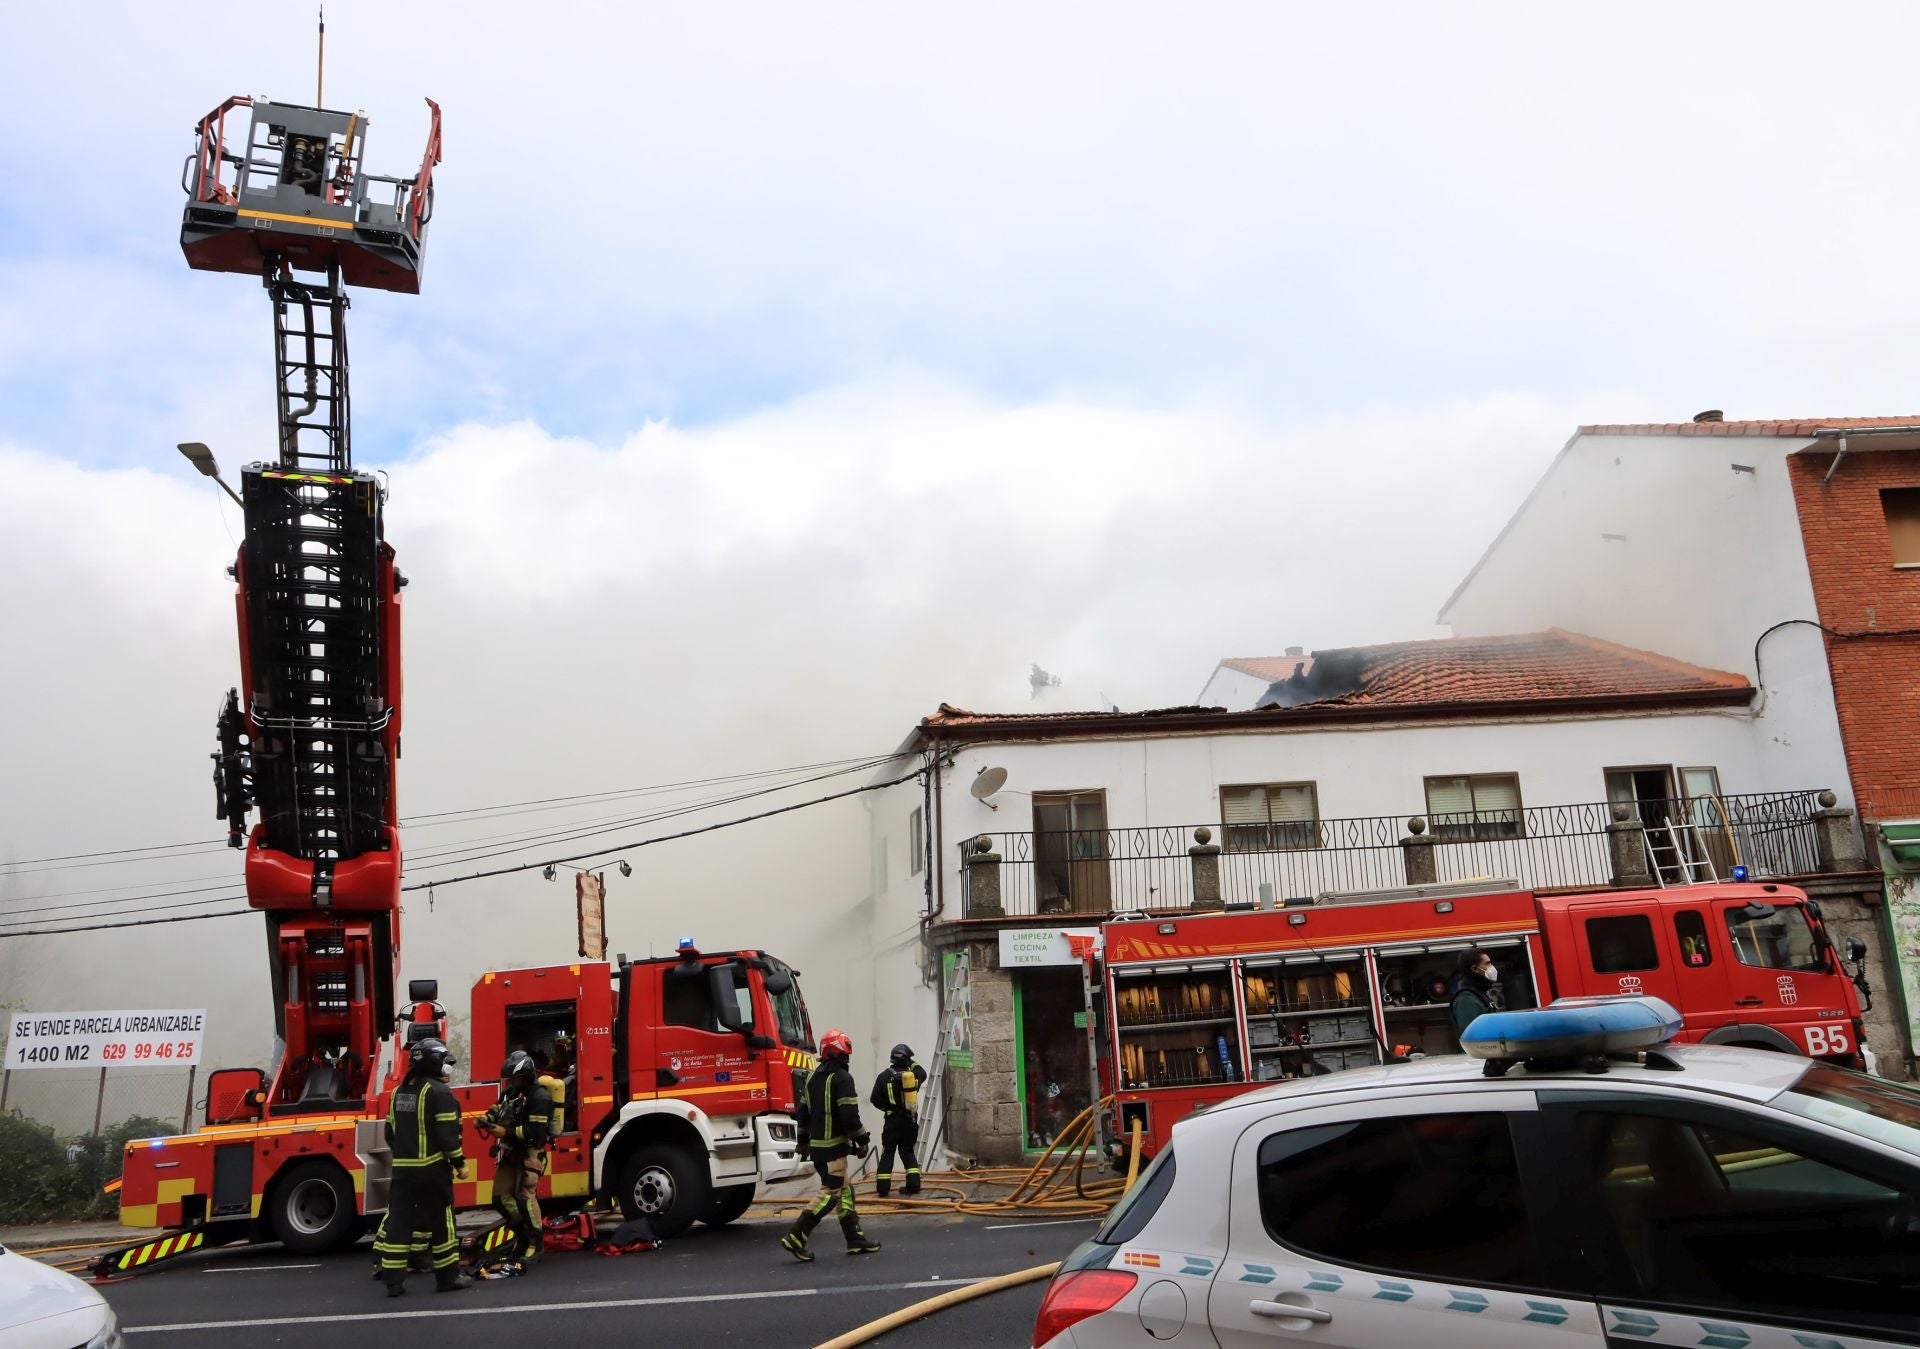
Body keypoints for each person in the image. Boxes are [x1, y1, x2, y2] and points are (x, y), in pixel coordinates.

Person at [376, 1037, 470, 1296]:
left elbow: (390, 1133)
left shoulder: (399, 1091)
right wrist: (459, 1163)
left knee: (399, 1224)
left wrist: (406, 1154)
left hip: (403, 1172)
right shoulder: (439, 1092)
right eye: (444, 1062)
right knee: (443, 1225)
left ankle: (393, 1282)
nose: (447, 1068)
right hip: (433, 1172)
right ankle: (448, 1278)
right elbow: (448, 1135)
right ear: (433, 1063)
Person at [780, 1028, 881, 1261]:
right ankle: (796, 1236)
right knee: (831, 1194)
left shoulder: (812, 1078)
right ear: (840, 1053)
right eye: (846, 1054)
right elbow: (849, 1118)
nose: (848, 1058)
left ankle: (854, 1238)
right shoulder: (843, 1079)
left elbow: (802, 1114)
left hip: (818, 1150)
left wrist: (802, 1142)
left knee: (845, 1191)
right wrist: (863, 1139)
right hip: (834, 1151)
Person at [478, 1050, 552, 1265]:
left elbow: (536, 1133)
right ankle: (523, 1235)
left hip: (531, 1151)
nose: (512, 1081)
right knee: (499, 1197)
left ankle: (535, 1244)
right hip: (513, 1151)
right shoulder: (512, 1092)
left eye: (515, 1078)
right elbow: (498, 1108)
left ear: (527, 1075)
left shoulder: (539, 1097)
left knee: (524, 1196)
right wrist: (486, 1118)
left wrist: (505, 1133)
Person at [869, 1043, 926, 1198]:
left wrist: (887, 1109)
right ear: (906, 1059)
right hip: (909, 1120)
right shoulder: (912, 1077)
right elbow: (923, 1072)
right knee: (907, 1151)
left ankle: (883, 1188)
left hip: (892, 1121)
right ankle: (914, 1185)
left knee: (888, 1152)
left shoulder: (883, 1077)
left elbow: (874, 1099)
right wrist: (911, 1063)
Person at [1451, 950, 1498, 1037]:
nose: (1491, 967)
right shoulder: (1466, 999)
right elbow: (1472, 1037)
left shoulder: (1479, 993)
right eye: (1487, 964)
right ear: (1475, 969)